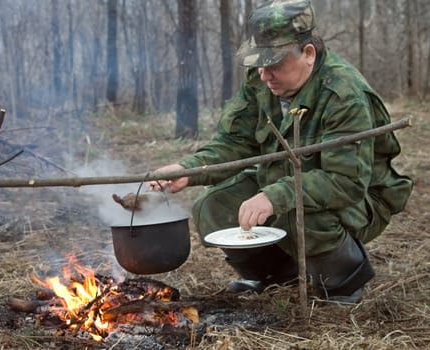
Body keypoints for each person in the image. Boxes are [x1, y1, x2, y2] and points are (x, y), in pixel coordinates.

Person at [149, 0, 413, 302]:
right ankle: (276, 274)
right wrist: (188, 170)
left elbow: (347, 183)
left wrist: (276, 196)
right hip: (283, 177)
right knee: (213, 204)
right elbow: (237, 141)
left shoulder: (343, 95)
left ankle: (343, 280)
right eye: (259, 63)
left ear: (308, 54)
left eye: (274, 63)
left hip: (362, 199)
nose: (264, 74)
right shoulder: (264, 82)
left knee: (296, 210)